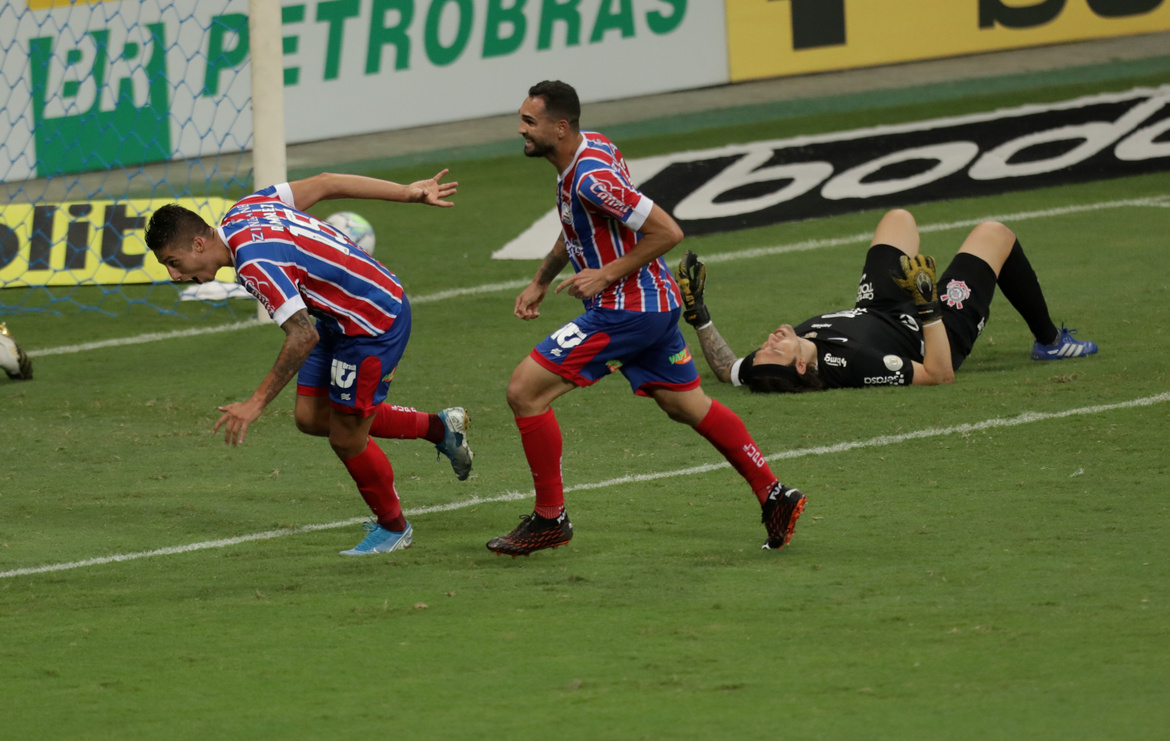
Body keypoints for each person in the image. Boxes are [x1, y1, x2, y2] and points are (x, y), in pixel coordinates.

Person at [487, 80, 806, 556]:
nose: (521, 129)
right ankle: (774, 494)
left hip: (627, 311)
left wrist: (605, 274)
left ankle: (550, 519)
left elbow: (668, 231)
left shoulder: (592, 177)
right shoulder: (588, 151)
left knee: (524, 391)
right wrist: (541, 280)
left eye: (529, 122)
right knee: (686, 405)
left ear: (560, 127)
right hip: (652, 306)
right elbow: (576, 224)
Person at [143, 171, 474, 556]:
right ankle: (439, 428)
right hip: (339, 316)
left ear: (198, 244)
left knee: (347, 438)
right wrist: (407, 193)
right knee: (311, 417)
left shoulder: (253, 265)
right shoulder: (244, 210)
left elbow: (302, 336)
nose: (175, 275)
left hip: (373, 323)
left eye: (173, 262)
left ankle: (394, 527)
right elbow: (327, 182)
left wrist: (256, 402)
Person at [678, 208, 1098, 393]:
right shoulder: (856, 362)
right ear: (802, 367)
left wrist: (700, 316)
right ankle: (1050, 341)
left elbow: (726, 369)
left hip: (879, 306)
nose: (768, 342)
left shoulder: (768, 369)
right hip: (932, 331)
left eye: (763, 350)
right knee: (995, 234)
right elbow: (939, 374)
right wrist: (928, 306)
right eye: (776, 350)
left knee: (898, 219)